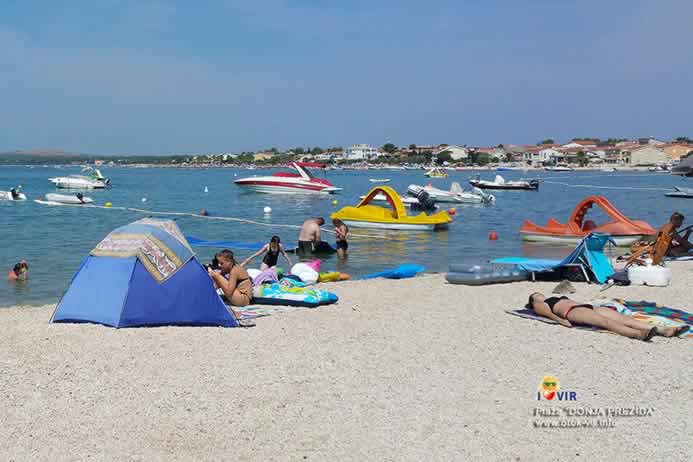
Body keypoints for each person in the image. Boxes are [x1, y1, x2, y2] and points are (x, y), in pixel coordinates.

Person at [526, 292, 689, 341]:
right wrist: (561, 321)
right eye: (536, 294)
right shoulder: (539, 303)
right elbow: (547, 313)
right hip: (572, 312)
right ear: (533, 299)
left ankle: (664, 330)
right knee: (605, 322)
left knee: (626, 319)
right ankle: (638, 334)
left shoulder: (554, 296)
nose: (539, 294)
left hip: (587, 306)